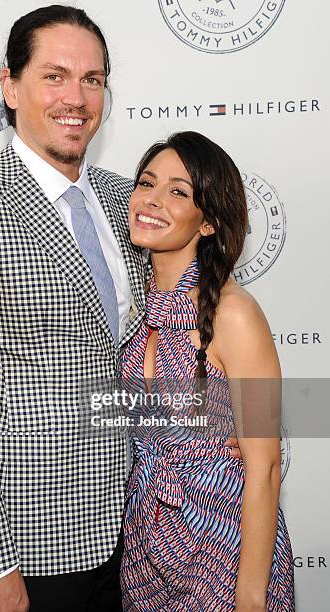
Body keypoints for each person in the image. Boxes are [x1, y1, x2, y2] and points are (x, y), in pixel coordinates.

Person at [0, 7, 241, 612]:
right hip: (30, 551)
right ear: (10, 85)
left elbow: (183, 330)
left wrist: (241, 419)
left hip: (147, 533)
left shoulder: (127, 200)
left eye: (93, 79)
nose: (77, 98)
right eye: (55, 76)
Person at [120, 131, 295, 611]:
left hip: (223, 549)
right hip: (145, 555)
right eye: (146, 183)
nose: (152, 200)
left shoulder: (233, 314)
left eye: (178, 191)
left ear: (210, 222)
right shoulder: (136, 313)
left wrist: (251, 598)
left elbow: (265, 465)